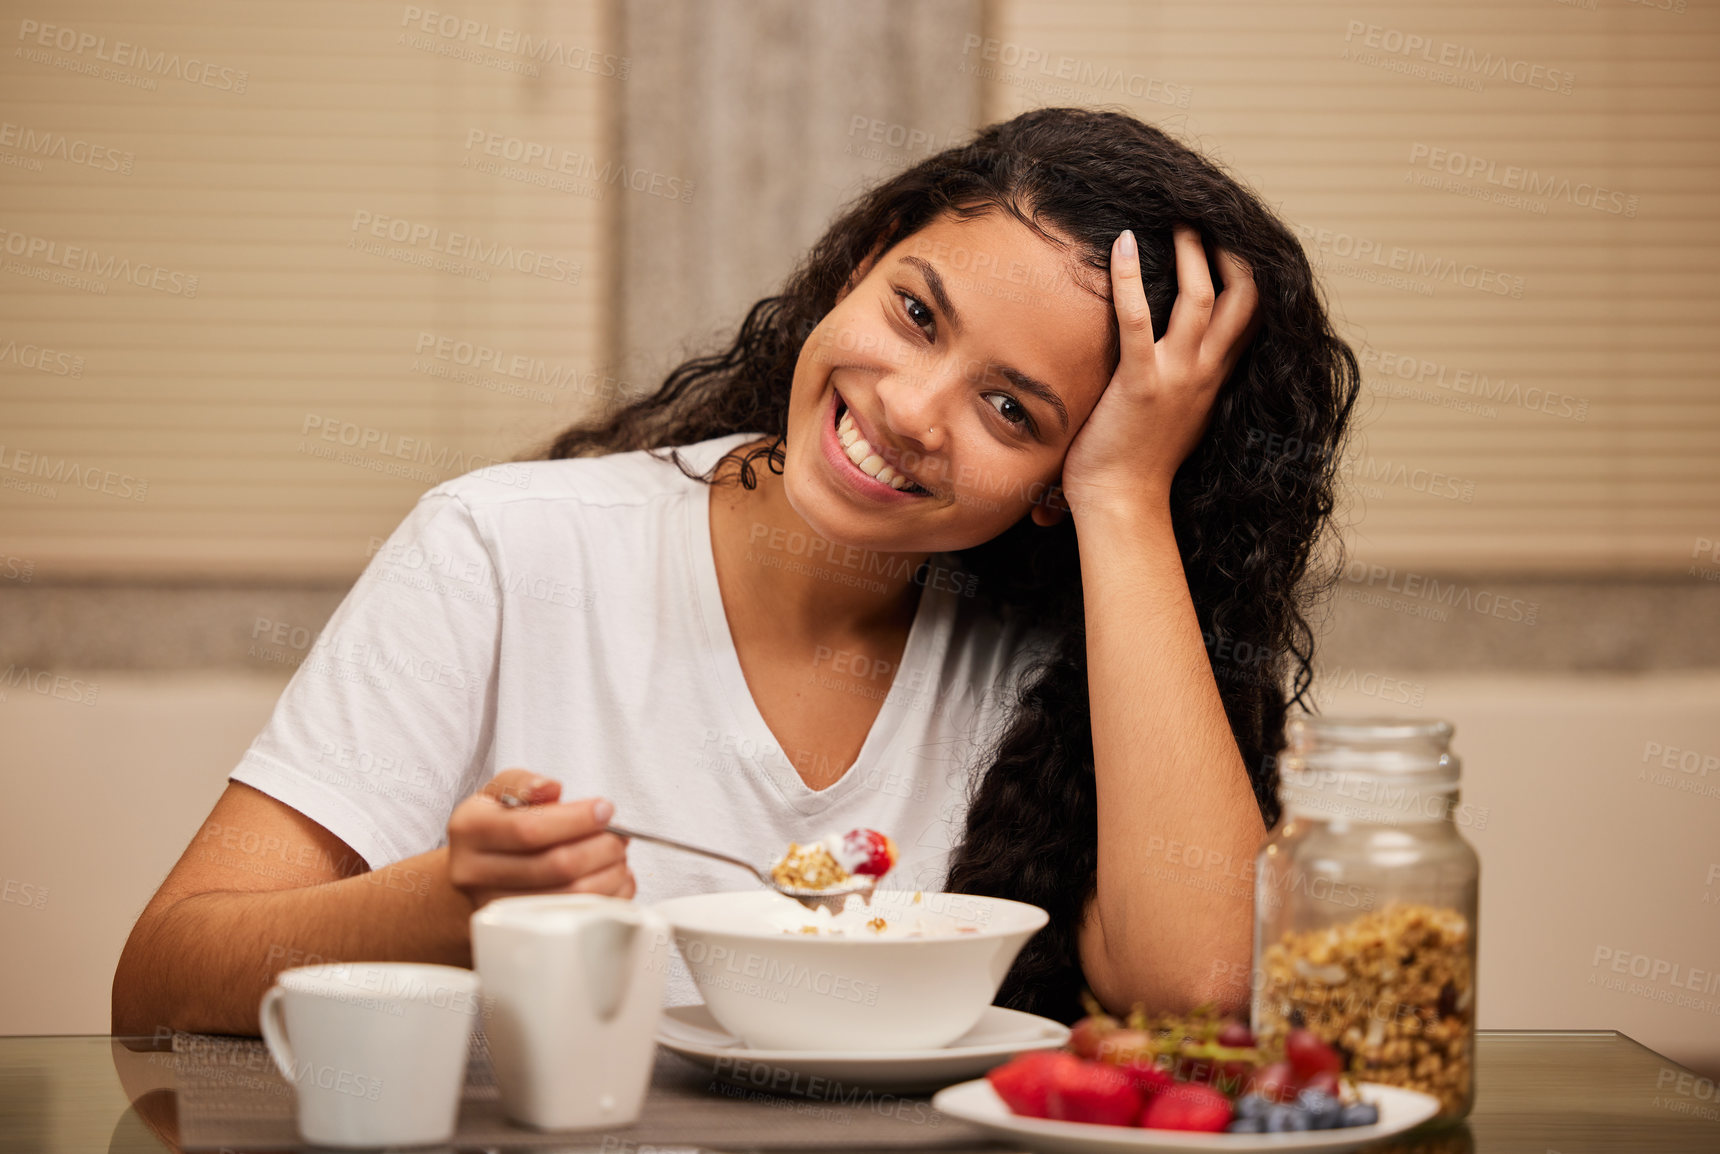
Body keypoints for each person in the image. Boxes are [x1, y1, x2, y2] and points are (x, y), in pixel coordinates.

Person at [113, 106, 1356, 1036]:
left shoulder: (1060, 653)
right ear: (861, 257)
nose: (914, 409)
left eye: (1015, 413)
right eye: (918, 313)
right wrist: (445, 906)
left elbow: (1203, 996)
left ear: (1059, 483)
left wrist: (1126, 503)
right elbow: (162, 979)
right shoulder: (502, 547)